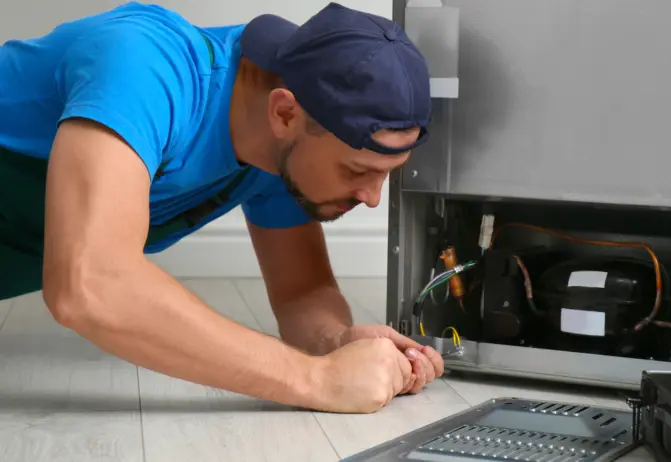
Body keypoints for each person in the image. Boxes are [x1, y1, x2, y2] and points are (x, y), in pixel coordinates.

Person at [0, 1, 443, 414]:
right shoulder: (143, 66)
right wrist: (316, 378)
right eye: (356, 170)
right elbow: (91, 285)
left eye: (386, 174)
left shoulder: (279, 151)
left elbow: (300, 293)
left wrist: (337, 343)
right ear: (285, 114)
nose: (372, 198)